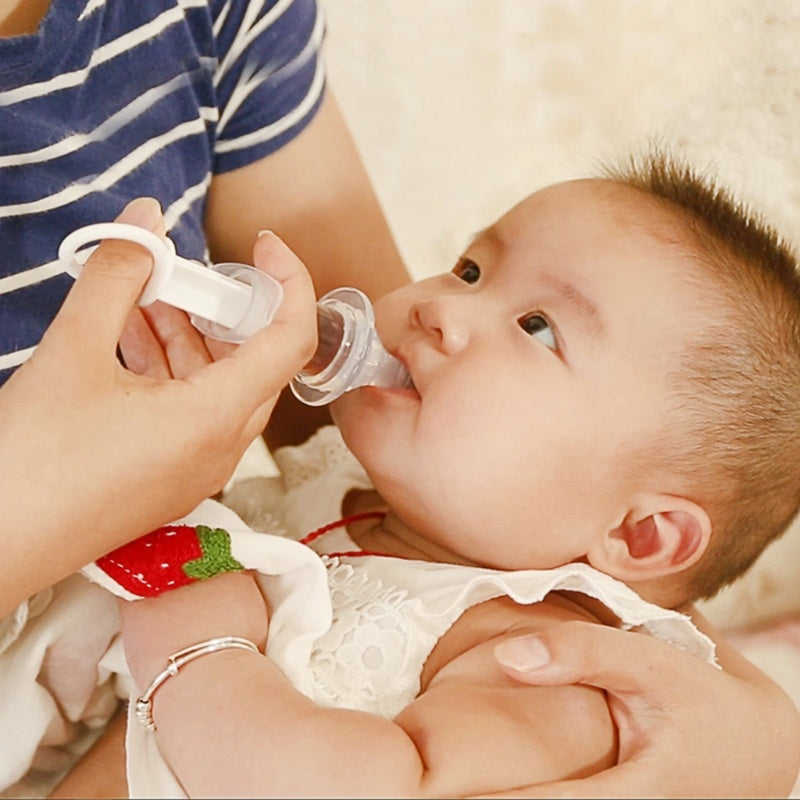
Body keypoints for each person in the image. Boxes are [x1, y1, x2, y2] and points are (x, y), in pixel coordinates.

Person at [0, 0, 796, 795]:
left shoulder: (542, 658)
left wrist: (197, 652)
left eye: (538, 328)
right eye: (471, 269)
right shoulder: (344, 487)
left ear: (644, 535)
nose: (437, 308)